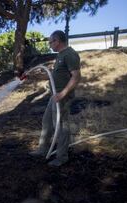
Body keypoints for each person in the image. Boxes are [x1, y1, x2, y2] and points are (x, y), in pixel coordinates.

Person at [29, 30, 81, 167]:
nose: (49, 44)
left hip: (62, 96)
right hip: (55, 96)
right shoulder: (60, 56)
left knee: (61, 126)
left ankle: (62, 157)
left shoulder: (70, 54)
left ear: (57, 41)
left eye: (50, 42)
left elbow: (76, 77)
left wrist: (63, 94)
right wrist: (33, 76)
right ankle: (43, 149)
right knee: (47, 122)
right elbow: (52, 76)